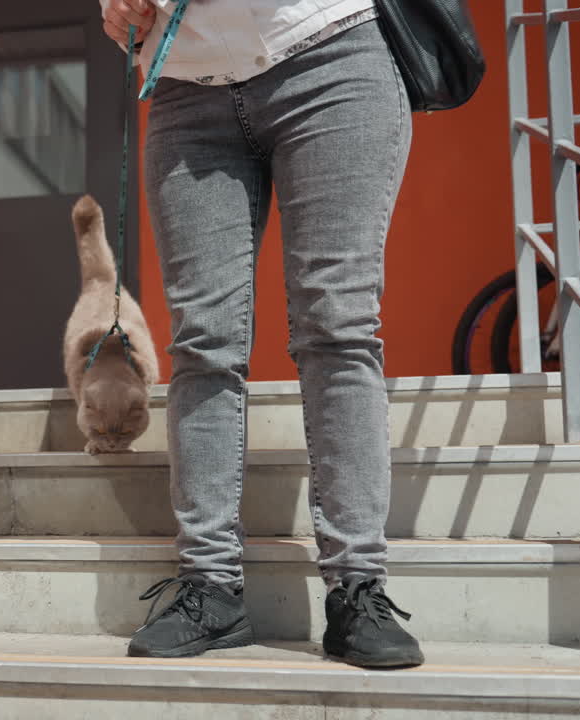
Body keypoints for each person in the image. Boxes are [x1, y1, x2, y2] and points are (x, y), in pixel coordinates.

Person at [99, 0, 424, 668]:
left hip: (330, 58)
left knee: (338, 325)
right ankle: (210, 588)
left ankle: (357, 587)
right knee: (202, 343)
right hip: (187, 89)